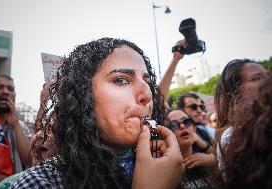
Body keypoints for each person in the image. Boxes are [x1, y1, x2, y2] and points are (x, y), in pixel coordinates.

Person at [11, 37, 184, 188]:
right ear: (82, 96)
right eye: (121, 80)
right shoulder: (43, 182)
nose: (147, 94)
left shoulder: (170, 166)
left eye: (147, 81)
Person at [214, 59, 269, 179]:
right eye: (257, 78)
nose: (268, 81)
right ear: (236, 89)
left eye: (268, 76)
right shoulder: (231, 136)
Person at [0, 75, 31, 188]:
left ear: (15, 95)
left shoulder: (21, 126)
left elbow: (28, 160)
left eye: (10, 89)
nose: (5, 92)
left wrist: (15, 124)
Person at [167, 109, 216, 189]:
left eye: (186, 121)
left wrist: (215, 162)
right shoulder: (164, 170)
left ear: (194, 129)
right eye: (173, 124)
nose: (182, 126)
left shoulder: (208, 160)